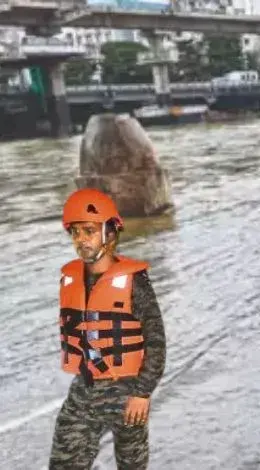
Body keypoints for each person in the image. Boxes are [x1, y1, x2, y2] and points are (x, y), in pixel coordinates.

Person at [50, 188, 167, 470]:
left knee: (131, 465)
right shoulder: (71, 278)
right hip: (85, 388)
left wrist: (142, 393)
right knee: (63, 463)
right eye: (75, 233)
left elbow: (156, 342)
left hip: (126, 391)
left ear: (110, 233)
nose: (81, 240)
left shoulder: (134, 283)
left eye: (88, 231)